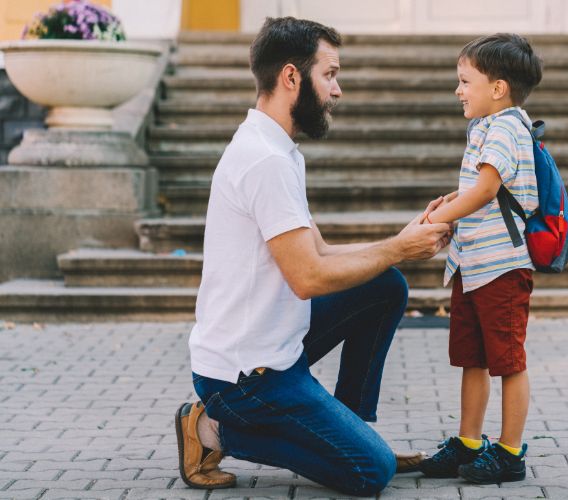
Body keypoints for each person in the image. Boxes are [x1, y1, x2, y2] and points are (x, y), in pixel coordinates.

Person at [174, 17, 453, 496]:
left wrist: (401, 242)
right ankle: (212, 429)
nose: (337, 90)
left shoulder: (277, 150)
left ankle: (352, 427)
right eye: (330, 74)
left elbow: (318, 252)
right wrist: (400, 249)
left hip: (273, 346)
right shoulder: (265, 161)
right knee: (370, 472)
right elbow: (308, 278)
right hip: (244, 380)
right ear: (291, 77)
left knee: (384, 286)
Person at [417, 33, 543, 484]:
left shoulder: (509, 125)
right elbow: (482, 187)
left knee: (508, 360)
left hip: (502, 268)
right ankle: (469, 442)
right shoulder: (485, 127)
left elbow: (488, 189)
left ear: (498, 88)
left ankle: (510, 454)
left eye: (465, 80)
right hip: (472, 266)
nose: (458, 89)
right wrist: (450, 201)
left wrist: (436, 223)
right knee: (473, 357)